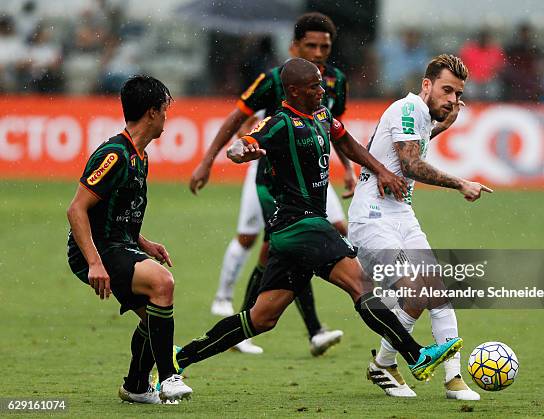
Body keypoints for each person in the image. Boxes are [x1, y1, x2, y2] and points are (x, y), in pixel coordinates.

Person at [174, 58, 463, 387]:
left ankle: (180, 357)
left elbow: (347, 143)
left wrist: (380, 170)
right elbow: (245, 143)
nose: (321, 89)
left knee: (262, 318)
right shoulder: (279, 123)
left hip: (296, 232)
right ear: (294, 91)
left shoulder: (323, 115)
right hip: (301, 223)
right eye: (314, 86)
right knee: (361, 284)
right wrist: (240, 152)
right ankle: (415, 355)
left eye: (321, 83)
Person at [189, 12, 354, 356]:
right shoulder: (273, 79)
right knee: (282, 243)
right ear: (295, 46)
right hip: (273, 178)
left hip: (315, 179)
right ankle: (311, 330)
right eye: (312, 45)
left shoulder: (336, 81)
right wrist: (207, 161)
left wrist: (349, 170)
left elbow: (332, 130)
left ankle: (249, 324)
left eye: (325, 46)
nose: (320, 52)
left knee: (328, 231)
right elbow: (237, 119)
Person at [347, 54, 490, 400]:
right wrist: (460, 183)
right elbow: (410, 163)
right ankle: (385, 364)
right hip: (372, 217)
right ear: (426, 85)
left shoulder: (421, 115)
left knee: (436, 289)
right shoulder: (407, 109)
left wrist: (443, 124)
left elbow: (413, 146)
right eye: (446, 90)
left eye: (457, 94)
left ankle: (451, 379)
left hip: (401, 214)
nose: (452, 100)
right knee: (416, 289)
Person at [66, 75, 192, 404]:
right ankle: (168, 378)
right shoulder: (115, 155)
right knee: (163, 283)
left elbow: (118, 210)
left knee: (155, 322)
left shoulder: (140, 156)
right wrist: (94, 262)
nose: (168, 115)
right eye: (165, 108)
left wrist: (143, 242)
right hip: (98, 250)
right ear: (151, 112)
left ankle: (136, 386)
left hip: (120, 244)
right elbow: (76, 210)